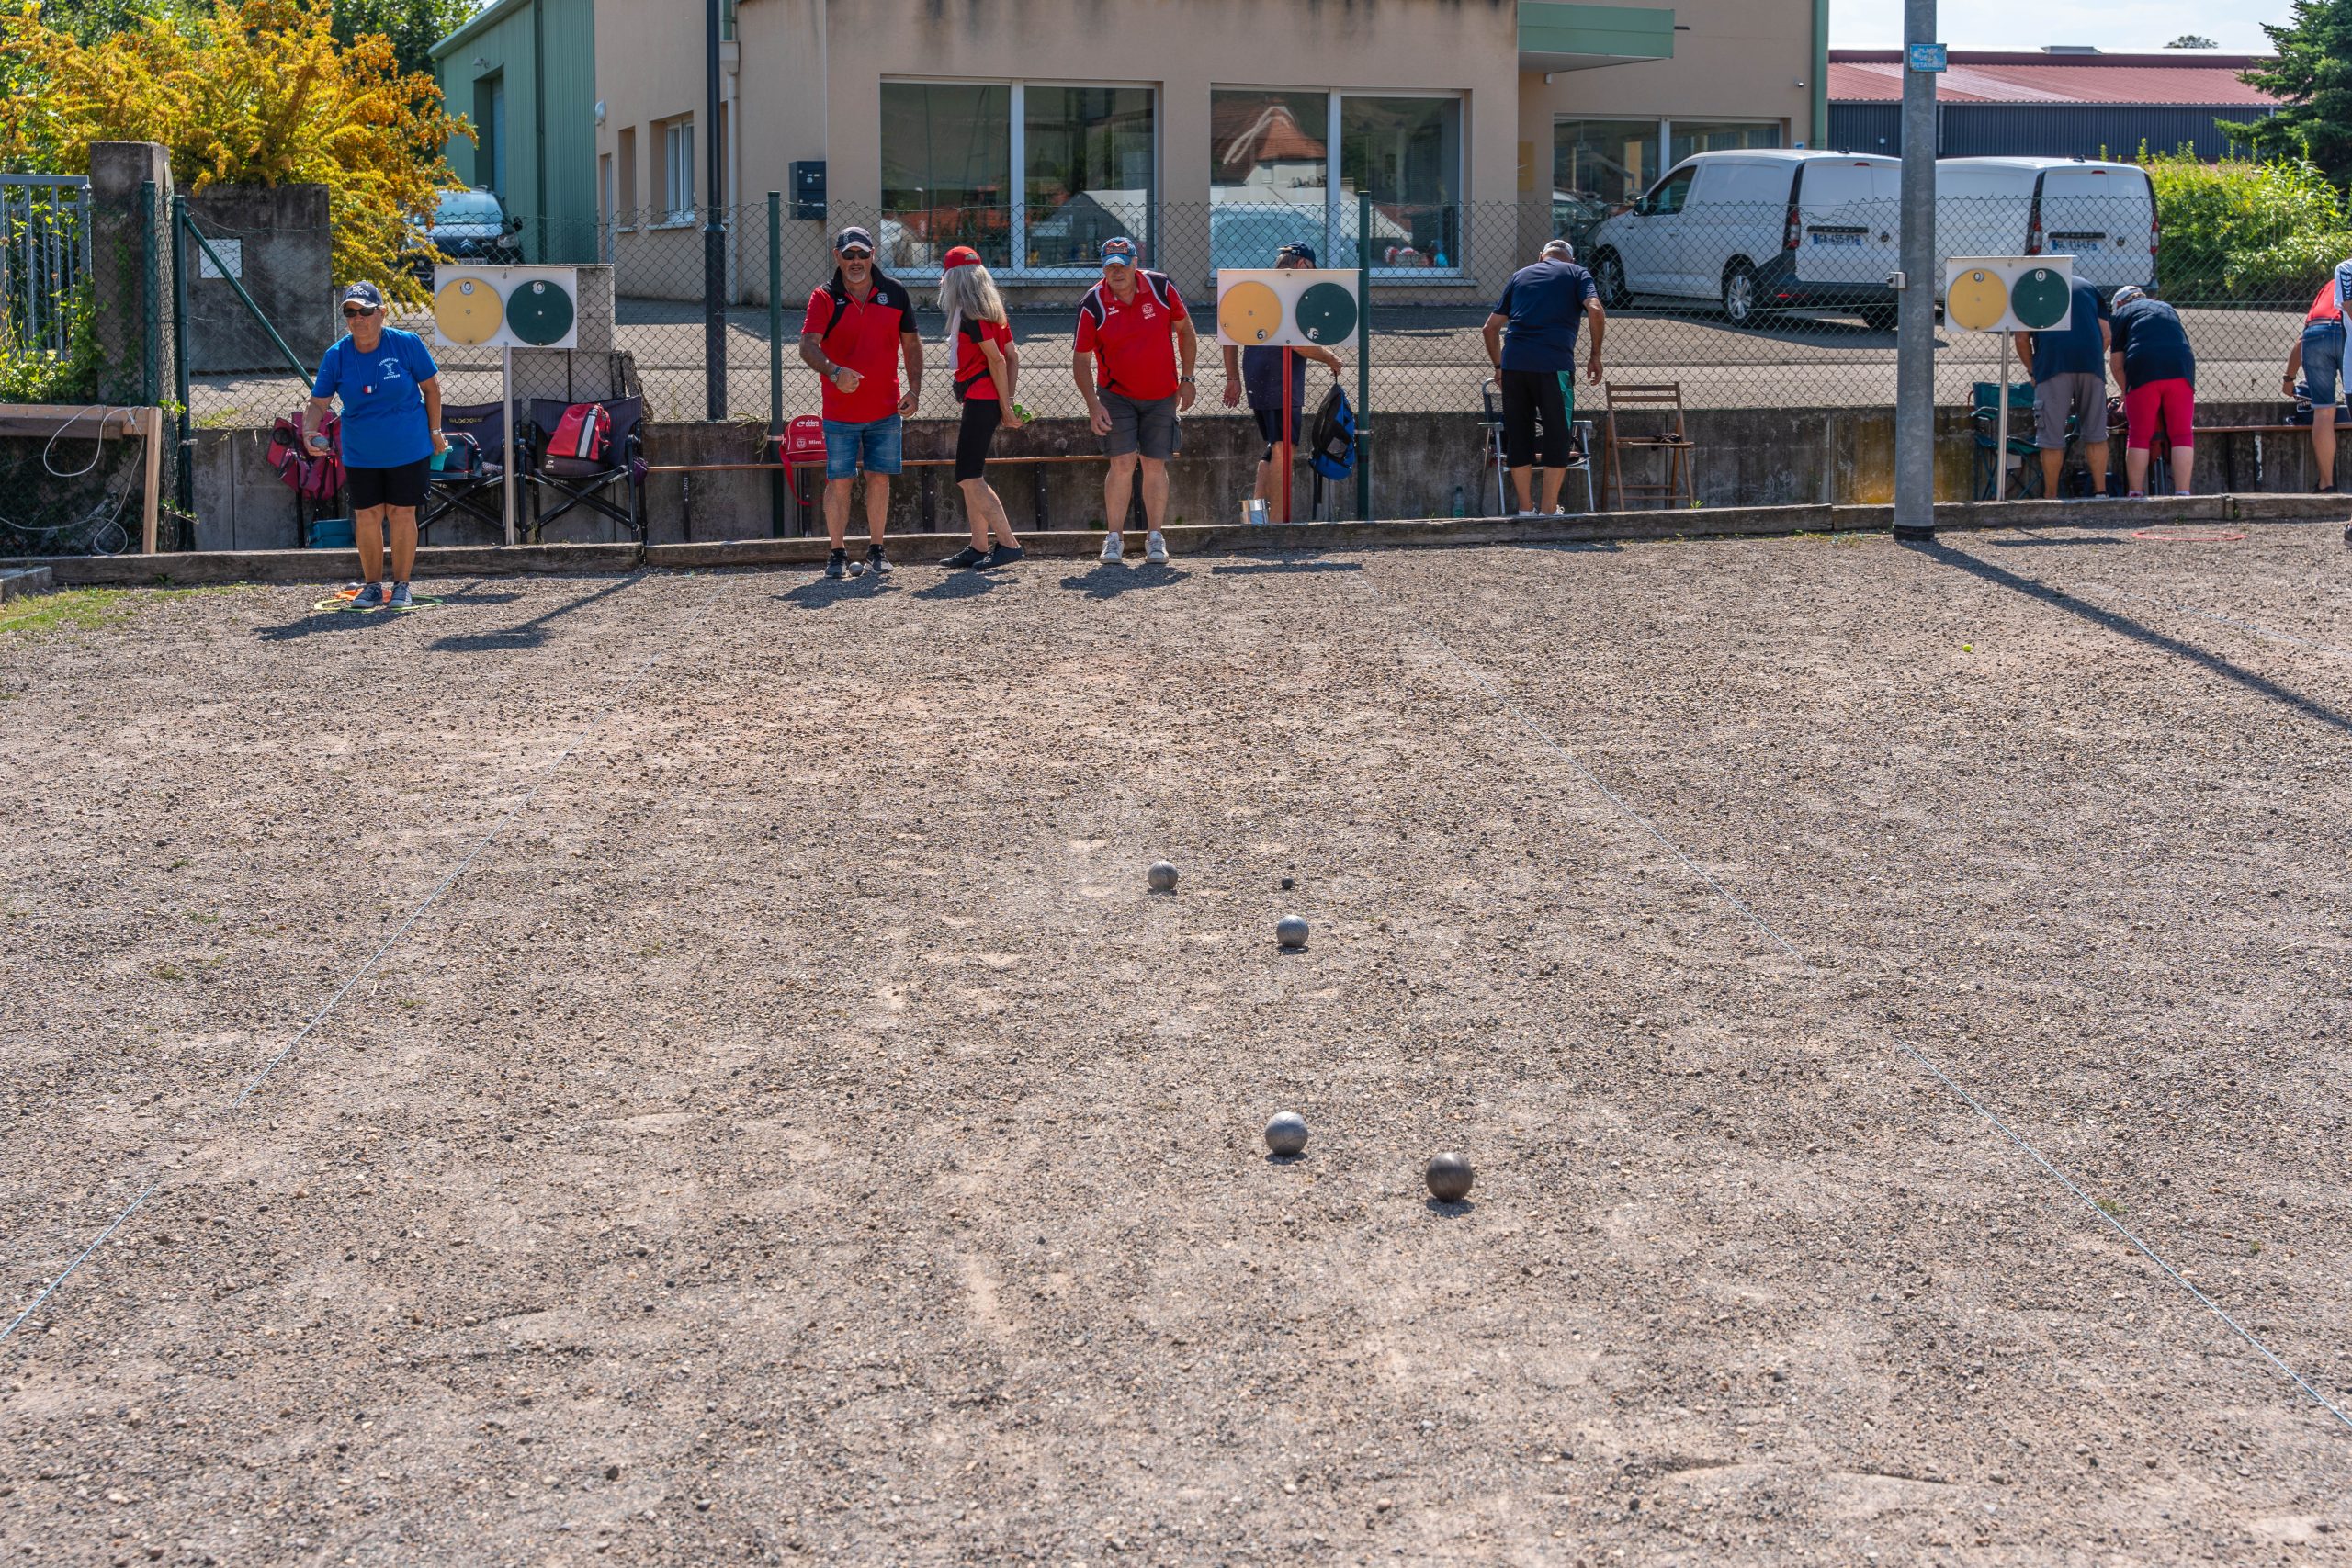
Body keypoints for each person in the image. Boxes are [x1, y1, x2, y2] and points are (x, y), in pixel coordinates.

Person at [301, 281, 446, 611]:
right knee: (367, 516)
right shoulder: (336, 355)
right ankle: (371, 587)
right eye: (351, 312)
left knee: (401, 512)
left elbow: (432, 389)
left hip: (407, 446)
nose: (358, 318)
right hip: (361, 450)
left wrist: (435, 430)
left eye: (365, 311)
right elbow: (319, 403)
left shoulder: (406, 344)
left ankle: (402, 586)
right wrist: (309, 431)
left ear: (381, 312)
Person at [798, 225, 922, 579]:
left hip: (886, 409)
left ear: (873, 256)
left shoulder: (895, 293)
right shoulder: (823, 297)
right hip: (840, 412)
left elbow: (912, 345)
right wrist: (835, 372)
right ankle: (836, 553)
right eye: (848, 254)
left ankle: (877, 550)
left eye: (862, 254)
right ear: (837, 257)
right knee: (840, 481)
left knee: (879, 478)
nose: (856, 261)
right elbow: (808, 346)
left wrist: (914, 391)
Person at [1073, 236, 1197, 564]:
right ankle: (1113, 538)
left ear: (1134, 264)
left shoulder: (1160, 287)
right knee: (1123, 462)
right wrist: (1093, 404)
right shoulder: (1093, 303)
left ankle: (1155, 538)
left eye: (1122, 265)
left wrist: (1187, 378)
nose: (1116, 273)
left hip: (1162, 394)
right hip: (1116, 396)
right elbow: (1081, 360)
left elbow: (1186, 330)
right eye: (1110, 267)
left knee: (1154, 464)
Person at [1481, 238, 1605, 516]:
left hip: (1514, 367)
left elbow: (1490, 329)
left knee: (1519, 436)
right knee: (1558, 435)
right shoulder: (1577, 273)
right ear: (1570, 259)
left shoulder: (1519, 276)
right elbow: (1596, 310)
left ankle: (1526, 509)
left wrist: (1499, 366)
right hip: (1554, 366)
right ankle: (1549, 511)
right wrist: (1595, 354)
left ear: (1541, 256)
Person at [1218, 240, 1342, 517]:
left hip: (1256, 374)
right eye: (1312, 269)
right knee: (1285, 448)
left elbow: (1229, 333)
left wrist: (1233, 378)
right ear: (1301, 264)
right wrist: (1330, 358)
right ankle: (1277, 524)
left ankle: (1255, 519)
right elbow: (1299, 345)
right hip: (1281, 378)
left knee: (1273, 448)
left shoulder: (1259, 288)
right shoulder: (1291, 293)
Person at [934, 245, 1026, 570]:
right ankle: (977, 545)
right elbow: (1012, 356)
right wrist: (1008, 401)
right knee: (970, 474)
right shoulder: (992, 312)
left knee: (969, 475)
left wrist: (1005, 405)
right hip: (985, 397)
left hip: (982, 396)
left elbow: (999, 360)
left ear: (954, 278)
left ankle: (1008, 543)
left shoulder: (972, 315)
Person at [2012, 274, 2109, 500]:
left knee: (2051, 436)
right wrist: (2089, 358)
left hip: (2052, 364)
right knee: (2096, 433)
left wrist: (2032, 371)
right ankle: (2101, 493)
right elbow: (2106, 336)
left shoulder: (2030, 288)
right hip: (2091, 363)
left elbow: (2021, 338)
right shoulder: (2089, 286)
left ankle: (2051, 497)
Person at [2108, 284, 2195, 499]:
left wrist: (2125, 391)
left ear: (2119, 303)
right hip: (2181, 367)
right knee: (2182, 432)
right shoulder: (2166, 307)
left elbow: (2116, 364)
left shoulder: (2121, 314)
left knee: (2139, 434)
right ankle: (2183, 493)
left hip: (2143, 367)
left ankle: (2136, 493)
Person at [2281, 259, 2352, 493]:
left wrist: (2289, 378)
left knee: (2323, 410)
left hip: (2316, 333)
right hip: (2345, 333)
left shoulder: (2330, 285)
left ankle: (2326, 483)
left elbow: (2302, 340)